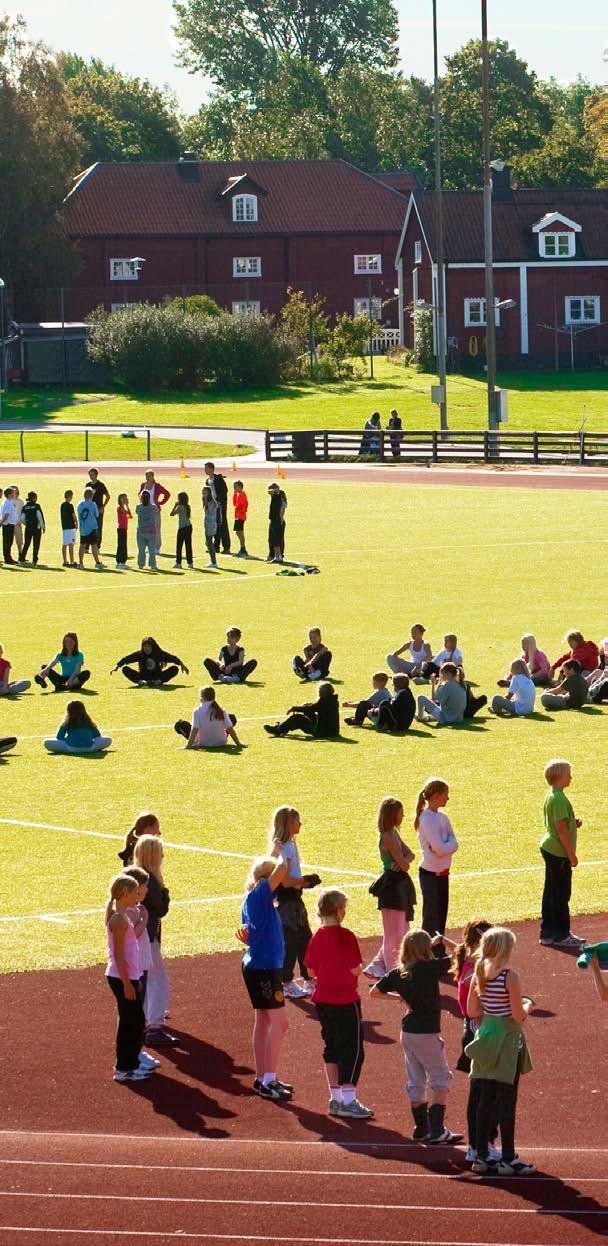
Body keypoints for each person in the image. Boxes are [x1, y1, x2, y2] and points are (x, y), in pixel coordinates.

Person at [371, 929, 463, 1144]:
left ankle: (421, 1128)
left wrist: (399, 998)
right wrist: (441, 941)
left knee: (416, 1080)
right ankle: (437, 1129)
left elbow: (374, 992)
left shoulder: (399, 972)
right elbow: (462, 954)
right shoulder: (430, 968)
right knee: (441, 1078)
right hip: (427, 1033)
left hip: (408, 1030)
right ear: (426, 948)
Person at [467, 927, 535, 1175]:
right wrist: (528, 1004)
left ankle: (482, 1156)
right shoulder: (510, 976)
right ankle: (508, 1157)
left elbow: (472, 1011)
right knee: (507, 1101)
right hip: (507, 1041)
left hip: (485, 1037)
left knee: (485, 1099)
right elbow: (518, 1015)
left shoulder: (478, 974)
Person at [304, 888, 373, 1119]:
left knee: (331, 1047)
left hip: (323, 1001)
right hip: (346, 999)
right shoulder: (346, 936)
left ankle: (335, 1099)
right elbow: (355, 968)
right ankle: (349, 1100)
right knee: (353, 1050)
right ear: (338, 910)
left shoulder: (317, 936)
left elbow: (311, 970)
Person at [237, 855, 292, 1100]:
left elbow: (252, 933)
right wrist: (283, 848)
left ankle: (262, 1077)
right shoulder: (261, 894)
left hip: (258, 966)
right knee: (280, 1023)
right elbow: (281, 870)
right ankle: (269, 1079)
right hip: (265, 970)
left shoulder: (254, 899)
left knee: (264, 1021)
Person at [270, 805, 321, 999]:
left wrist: (303, 883)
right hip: (287, 902)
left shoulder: (288, 844)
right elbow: (284, 880)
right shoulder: (285, 847)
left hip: (294, 899)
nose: (300, 823)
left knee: (305, 939)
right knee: (292, 941)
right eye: (297, 820)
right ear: (289, 823)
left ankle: (308, 979)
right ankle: (287, 981)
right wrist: (303, 881)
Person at [363, 796, 416, 980]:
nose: (403, 816)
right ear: (393, 815)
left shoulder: (393, 832)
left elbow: (411, 855)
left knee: (400, 929)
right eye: (401, 813)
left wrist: (403, 860)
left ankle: (379, 966)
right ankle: (391, 972)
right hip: (392, 887)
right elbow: (405, 864)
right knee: (395, 932)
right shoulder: (388, 836)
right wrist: (403, 861)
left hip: (398, 885)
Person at [105, 873, 151, 1082]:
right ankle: (124, 1068)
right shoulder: (119, 919)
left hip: (129, 975)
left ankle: (131, 1063)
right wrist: (127, 984)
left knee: (135, 1020)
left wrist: (135, 978)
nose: (137, 896)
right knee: (130, 1022)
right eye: (134, 892)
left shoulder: (122, 917)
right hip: (121, 977)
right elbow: (119, 956)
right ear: (124, 894)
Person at [134, 834, 176, 1045]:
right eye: (160, 852)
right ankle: (155, 1026)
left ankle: (144, 1024)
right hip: (147, 937)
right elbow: (161, 908)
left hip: (137, 937)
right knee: (158, 980)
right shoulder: (150, 879)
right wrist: (165, 891)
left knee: (144, 979)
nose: (163, 856)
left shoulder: (134, 874)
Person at [539, 758, 584, 948]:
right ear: (559, 777)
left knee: (550, 892)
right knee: (561, 894)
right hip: (558, 852)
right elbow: (561, 830)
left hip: (550, 847)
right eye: (568, 774)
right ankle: (561, 934)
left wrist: (574, 822)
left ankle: (547, 932)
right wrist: (571, 854)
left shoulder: (552, 795)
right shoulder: (558, 798)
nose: (571, 777)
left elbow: (562, 823)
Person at [414, 777, 458, 953]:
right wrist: (447, 846)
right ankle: (426, 953)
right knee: (431, 917)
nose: (447, 798)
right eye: (445, 795)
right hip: (430, 874)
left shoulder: (443, 817)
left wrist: (445, 846)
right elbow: (441, 848)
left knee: (441, 914)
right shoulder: (426, 818)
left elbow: (453, 843)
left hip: (443, 873)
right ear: (437, 795)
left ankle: (438, 951)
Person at [174, 685, 247, 749]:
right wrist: (238, 743)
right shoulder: (221, 710)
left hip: (203, 744)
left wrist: (188, 746)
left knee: (180, 724)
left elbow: (194, 730)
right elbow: (230, 728)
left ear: (202, 698)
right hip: (221, 742)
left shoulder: (197, 711)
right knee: (231, 718)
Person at [264, 681, 339, 739]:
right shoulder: (333, 700)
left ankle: (278, 730)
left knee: (297, 718)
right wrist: (306, 706)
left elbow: (312, 708)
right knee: (306, 712)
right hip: (333, 731)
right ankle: (282, 728)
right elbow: (315, 707)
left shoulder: (324, 702)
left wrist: (294, 708)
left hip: (322, 732)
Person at [111, 637, 189, 687]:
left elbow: (172, 658)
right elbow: (127, 659)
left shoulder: (158, 653)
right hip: (143, 677)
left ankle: (158, 682)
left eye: (148, 646)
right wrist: (117, 666)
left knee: (174, 669)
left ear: (153, 647)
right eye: (145, 646)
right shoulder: (140, 654)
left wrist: (182, 664)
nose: (146, 648)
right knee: (125, 669)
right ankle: (141, 682)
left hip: (157, 677)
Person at [44, 700, 112, 753]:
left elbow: (59, 737)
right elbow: (98, 736)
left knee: (46, 742)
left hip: (72, 748)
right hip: (90, 748)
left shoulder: (67, 722)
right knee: (108, 739)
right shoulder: (89, 722)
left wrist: (68, 739)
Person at [138, 471, 170, 552]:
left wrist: (161, 502)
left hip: (154, 510)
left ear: (152, 476)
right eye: (146, 476)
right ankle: (147, 546)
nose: (147, 478)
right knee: (145, 528)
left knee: (156, 528)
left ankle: (157, 547)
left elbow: (167, 494)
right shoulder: (143, 485)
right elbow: (139, 494)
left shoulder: (157, 486)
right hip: (145, 510)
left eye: (148, 476)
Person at [204, 461, 230, 554]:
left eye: (206, 468)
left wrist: (219, 502)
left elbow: (224, 491)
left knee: (222, 525)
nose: (205, 470)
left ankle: (226, 547)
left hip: (220, 506)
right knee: (214, 525)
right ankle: (216, 546)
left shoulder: (219, 479)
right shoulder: (207, 481)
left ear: (211, 469)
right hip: (212, 507)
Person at [76, 488, 104, 570]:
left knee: (82, 545)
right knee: (94, 545)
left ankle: (80, 563)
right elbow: (97, 514)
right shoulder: (93, 504)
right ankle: (97, 562)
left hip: (83, 528)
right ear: (92, 496)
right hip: (92, 527)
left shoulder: (80, 504)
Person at [86, 469, 110, 548]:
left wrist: (103, 507)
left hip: (98, 509)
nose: (91, 476)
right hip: (89, 509)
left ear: (96, 475)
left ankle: (97, 545)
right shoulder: (88, 485)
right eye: (89, 474)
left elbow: (108, 496)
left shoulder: (101, 485)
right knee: (88, 526)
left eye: (92, 474)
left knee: (98, 527)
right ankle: (87, 545)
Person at [19, 491, 45, 565]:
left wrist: (26, 524)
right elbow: (39, 517)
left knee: (27, 543)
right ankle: (34, 559)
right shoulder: (36, 506)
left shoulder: (25, 507)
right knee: (36, 544)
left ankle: (22, 558)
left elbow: (22, 518)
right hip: (36, 528)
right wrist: (42, 526)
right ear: (34, 498)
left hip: (28, 528)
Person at [135, 491, 158, 571]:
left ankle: (141, 564)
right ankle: (153, 565)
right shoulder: (153, 507)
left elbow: (136, 512)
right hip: (151, 532)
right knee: (151, 550)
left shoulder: (138, 507)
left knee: (141, 550)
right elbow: (156, 512)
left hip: (141, 531)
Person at [170, 492, 193, 569]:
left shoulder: (180, 507)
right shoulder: (187, 506)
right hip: (189, 526)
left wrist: (175, 505)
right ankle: (190, 563)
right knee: (188, 545)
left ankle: (178, 562)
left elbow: (172, 514)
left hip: (182, 527)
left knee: (179, 546)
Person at [202, 484, 219, 568]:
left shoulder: (211, 502)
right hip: (208, 525)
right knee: (208, 543)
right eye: (203, 493)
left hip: (211, 526)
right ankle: (213, 561)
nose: (203, 494)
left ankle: (214, 562)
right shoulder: (207, 502)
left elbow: (211, 514)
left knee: (209, 544)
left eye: (205, 493)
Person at [1, 486, 18, 564]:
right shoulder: (7, 502)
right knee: (8, 542)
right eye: (13, 493)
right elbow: (6, 514)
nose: (14, 494)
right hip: (8, 525)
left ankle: (8, 557)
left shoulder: (7, 502)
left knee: (8, 542)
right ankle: (7, 558)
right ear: (9, 494)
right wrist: (1, 522)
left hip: (9, 524)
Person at [267, 482, 284, 563]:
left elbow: (272, 491)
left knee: (276, 540)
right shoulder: (275, 497)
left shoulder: (278, 498)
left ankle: (278, 557)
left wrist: (275, 490)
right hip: (274, 520)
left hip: (276, 521)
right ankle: (277, 556)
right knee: (273, 539)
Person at [61, 490, 78, 567]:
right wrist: (76, 523)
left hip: (65, 527)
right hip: (71, 527)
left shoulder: (62, 505)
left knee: (65, 544)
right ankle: (72, 561)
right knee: (71, 544)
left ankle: (65, 561)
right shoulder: (70, 506)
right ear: (70, 496)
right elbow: (73, 516)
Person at [115, 493, 132, 569]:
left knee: (123, 545)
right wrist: (126, 504)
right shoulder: (119, 507)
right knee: (122, 545)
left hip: (124, 528)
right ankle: (120, 561)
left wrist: (127, 505)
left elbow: (129, 514)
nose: (126, 499)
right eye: (124, 498)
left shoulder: (123, 507)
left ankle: (122, 561)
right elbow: (127, 513)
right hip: (121, 528)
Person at [233, 480, 249, 556]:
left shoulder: (243, 495)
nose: (234, 488)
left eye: (235, 487)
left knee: (240, 532)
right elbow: (234, 503)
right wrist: (235, 494)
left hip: (240, 516)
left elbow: (245, 505)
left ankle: (243, 549)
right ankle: (242, 548)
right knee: (238, 532)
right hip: (237, 516)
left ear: (239, 487)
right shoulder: (239, 494)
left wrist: (241, 511)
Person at [11, 485, 24, 559]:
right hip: (10, 524)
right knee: (9, 541)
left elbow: (23, 513)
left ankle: (20, 554)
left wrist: (21, 521)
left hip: (18, 524)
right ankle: (8, 556)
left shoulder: (21, 502)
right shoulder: (8, 501)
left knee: (19, 540)